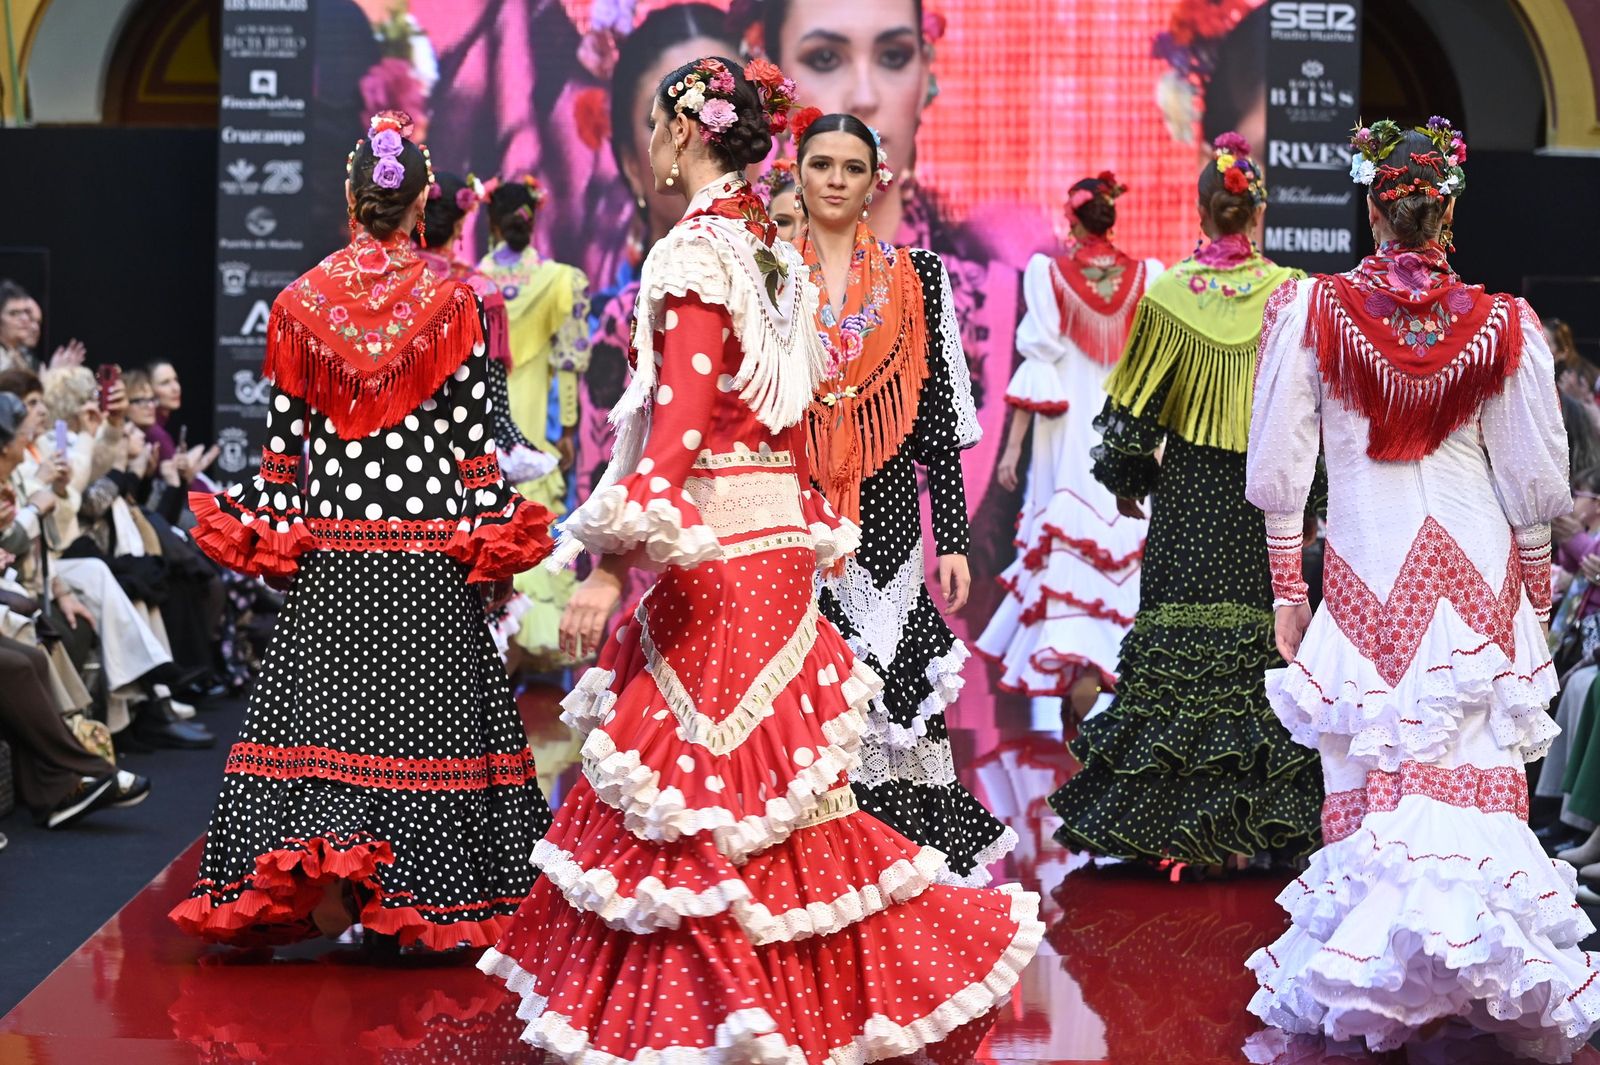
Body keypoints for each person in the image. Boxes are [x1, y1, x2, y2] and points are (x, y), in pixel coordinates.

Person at [479, 58, 1041, 1062]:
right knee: (780, 799)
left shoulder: (700, 250)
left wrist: (609, 564)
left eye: (658, 123)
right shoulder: (770, 248)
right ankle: (771, 1017)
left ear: (681, 131)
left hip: (719, 552)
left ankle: (715, 1018)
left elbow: (678, 428)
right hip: (778, 544)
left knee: (699, 795)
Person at [1244, 117, 1600, 1060]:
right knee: (1471, 784)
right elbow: (1531, 483)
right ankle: (1474, 976)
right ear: (1447, 214)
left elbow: (1284, 466)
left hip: (1370, 572)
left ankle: (1383, 983)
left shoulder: (1314, 312)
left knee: (1377, 778)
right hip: (1477, 575)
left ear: (1372, 209)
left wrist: (1287, 588)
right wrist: (1533, 597)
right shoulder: (1503, 324)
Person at [169, 110, 555, 950]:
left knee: (327, 734)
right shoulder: (456, 302)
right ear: (420, 204)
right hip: (426, 561)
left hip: (338, 562)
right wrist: (493, 550)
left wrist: (272, 529)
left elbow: (281, 457)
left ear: (352, 200)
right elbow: (473, 452)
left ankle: (338, 888)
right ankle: (420, 904)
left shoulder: (299, 304)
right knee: (426, 732)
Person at [1048, 134, 1318, 875]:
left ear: (1202, 211)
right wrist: (1312, 498)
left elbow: (1134, 406)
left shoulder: (1170, 295)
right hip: (1263, 500)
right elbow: (1310, 414)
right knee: (1261, 645)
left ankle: (1168, 828)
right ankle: (1250, 828)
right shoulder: (1291, 293)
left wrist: (1128, 475)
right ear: (1257, 214)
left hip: (1191, 493)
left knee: (1176, 641)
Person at [790, 111, 1010, 885]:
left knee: (895, 697)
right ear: (797, 173)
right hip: (794, 516)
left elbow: (938, 423)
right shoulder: (768, 274)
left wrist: (952, 540)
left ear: (875, 180)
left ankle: (900, 871)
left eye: (852, 167)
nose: (836, 180)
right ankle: (817, 877)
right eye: (822, 164)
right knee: (805, 696)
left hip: (887, 527)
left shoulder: (916, 277)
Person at [977, 173, 1162, 723]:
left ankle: (1079, 682)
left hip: (1067, 443)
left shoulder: (1049, 276)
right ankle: (1117, 688)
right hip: (1125, 438)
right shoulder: (1148, 277)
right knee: (1128, 543)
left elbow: (1035, 365)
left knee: (1071, 553)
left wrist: (1011, 451)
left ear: (1073, 221)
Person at [478, 174, 592, 670]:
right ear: (533, 220)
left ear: (491, 223)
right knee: (531, 523)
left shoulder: (467, 281)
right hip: (531, 429)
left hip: (476, 425)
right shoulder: (560, 280)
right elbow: (567, 364)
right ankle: (528, 647)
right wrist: (565, 428)